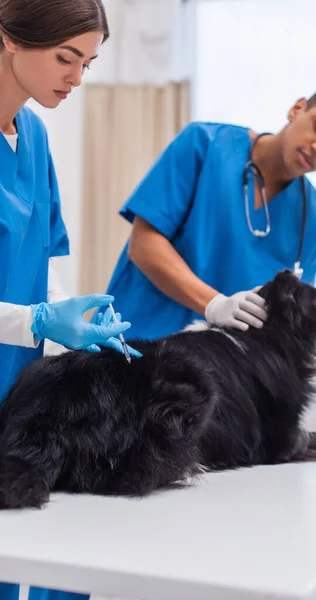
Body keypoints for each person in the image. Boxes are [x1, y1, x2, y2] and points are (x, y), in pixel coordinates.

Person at [0, 1, 139, 600]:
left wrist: (64, 318)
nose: (77, 79)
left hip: (17, 387)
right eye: (65, 58)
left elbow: (43, 254)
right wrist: (32, 320)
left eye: (88, 63)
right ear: (8, 37)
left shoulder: (32, 136)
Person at [106, 83, 316, 341]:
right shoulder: (205, 145)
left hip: (215, 376)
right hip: (134, 350)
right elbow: (143, 245)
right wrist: (214, 305)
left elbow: (290, 314)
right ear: (297, 109)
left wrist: (310, 345)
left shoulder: (314, 221)